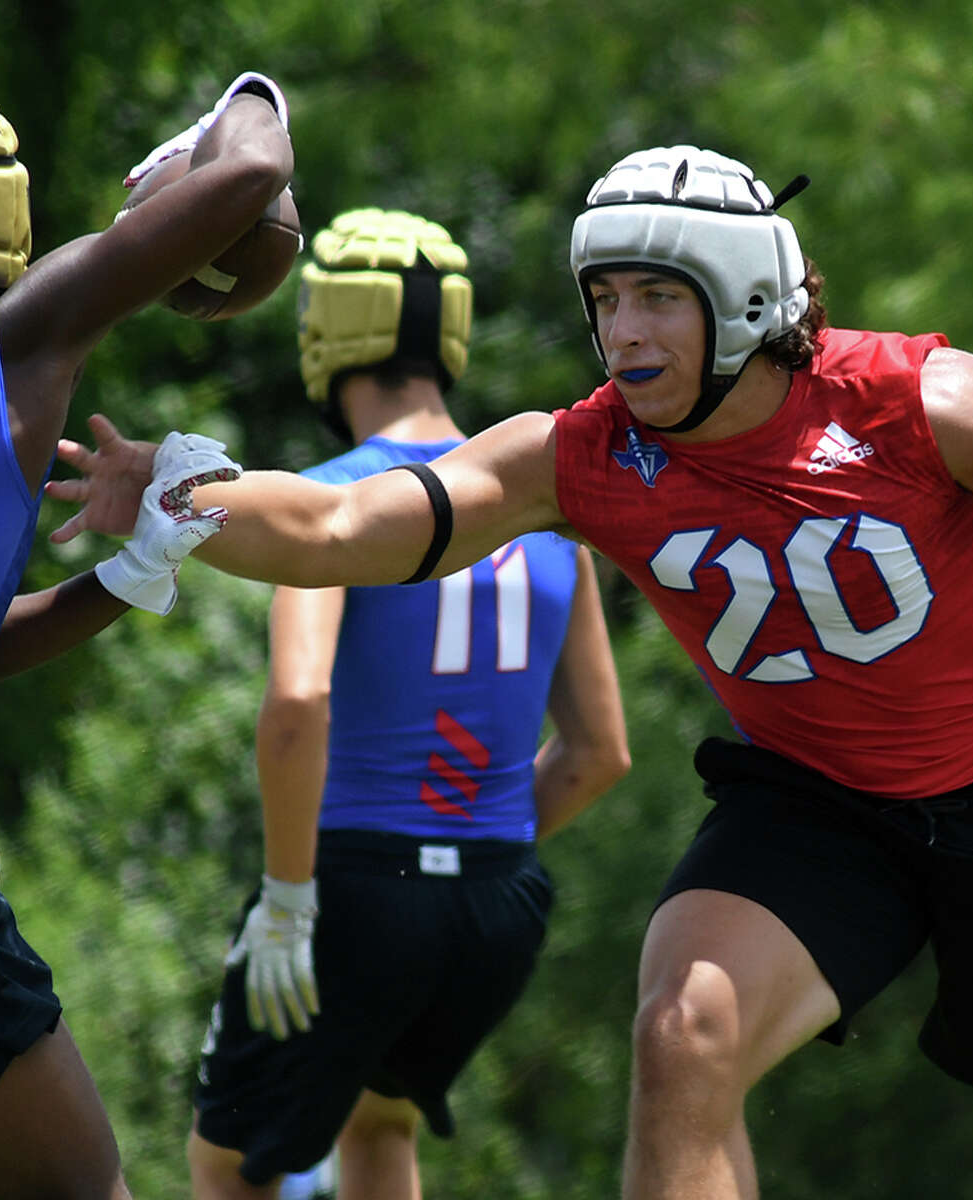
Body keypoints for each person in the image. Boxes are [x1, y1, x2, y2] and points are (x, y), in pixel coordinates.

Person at [54, 147, 973, 1200]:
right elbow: (364, 525)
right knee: (685, 1025)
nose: (624, 332)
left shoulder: (914, 398)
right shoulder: (586, 450)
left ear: (743, 296)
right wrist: (189, 494)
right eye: (606, 298)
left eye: (657, 296)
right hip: (817, 805)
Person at [0, 75, 293, 1199]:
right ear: (4, 212)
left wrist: (124, 581)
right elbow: (254, 176)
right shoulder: (14, 334)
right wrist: (243, 98)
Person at [183, 207, 630, 1200]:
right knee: (378, 1131)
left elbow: (299, 702)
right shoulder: (548, 512)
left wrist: (293, 899)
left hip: (350, 889)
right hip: (498, 906)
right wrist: (473, 858)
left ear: (325, 326)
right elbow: (600, 754)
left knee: (229, 1166)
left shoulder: (328, 501)